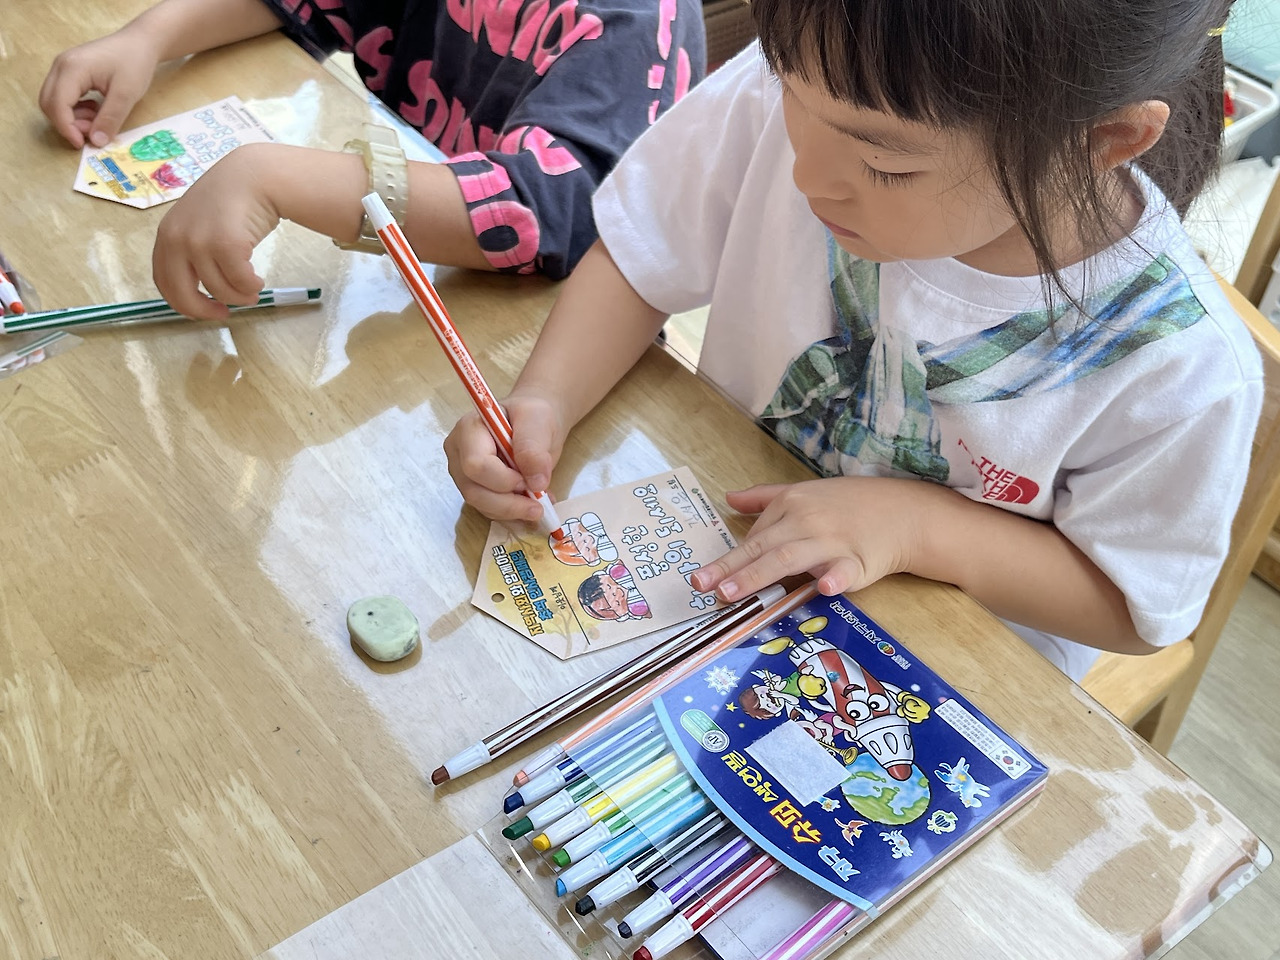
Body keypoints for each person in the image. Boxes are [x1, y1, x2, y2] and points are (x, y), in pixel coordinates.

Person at [445, 0, 1264, 681]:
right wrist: (545, 397)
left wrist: (916, 528)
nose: (807, 174)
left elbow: (1134, 606)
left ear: (1100, 142)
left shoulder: (1177, 365)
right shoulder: (827, 80)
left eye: (887, 167)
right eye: (789, 95)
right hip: (707, 592)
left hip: (937, 690)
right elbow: (641, 253)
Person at [38, 0, 705, 318]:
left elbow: (553, 213)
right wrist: (151, 35)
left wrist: (274, 176)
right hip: (425, 287)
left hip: (542, 337)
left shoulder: (634, 26)